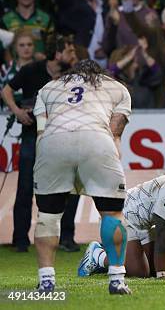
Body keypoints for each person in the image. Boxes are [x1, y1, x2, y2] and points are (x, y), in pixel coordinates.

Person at [32, 59, 132, 294]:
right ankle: (117, 279)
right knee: (113, 213)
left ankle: (46, 280)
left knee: (48, 216)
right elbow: (115, 134)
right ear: (99, 72)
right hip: (97, 140)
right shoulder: (116, 87)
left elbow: (40, 132)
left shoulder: (49, 88)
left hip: (53, 142)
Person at [1, 34, 79, 253]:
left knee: (71, 188)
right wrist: (16, 111)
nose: (73, 55)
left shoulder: (73, 77)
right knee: (25, 188)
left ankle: (66, 237)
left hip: (63, 138)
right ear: (57, 54)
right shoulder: (31, 70)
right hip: (32, 136)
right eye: (69, 51)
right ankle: (20, 239)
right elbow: (6, 90)